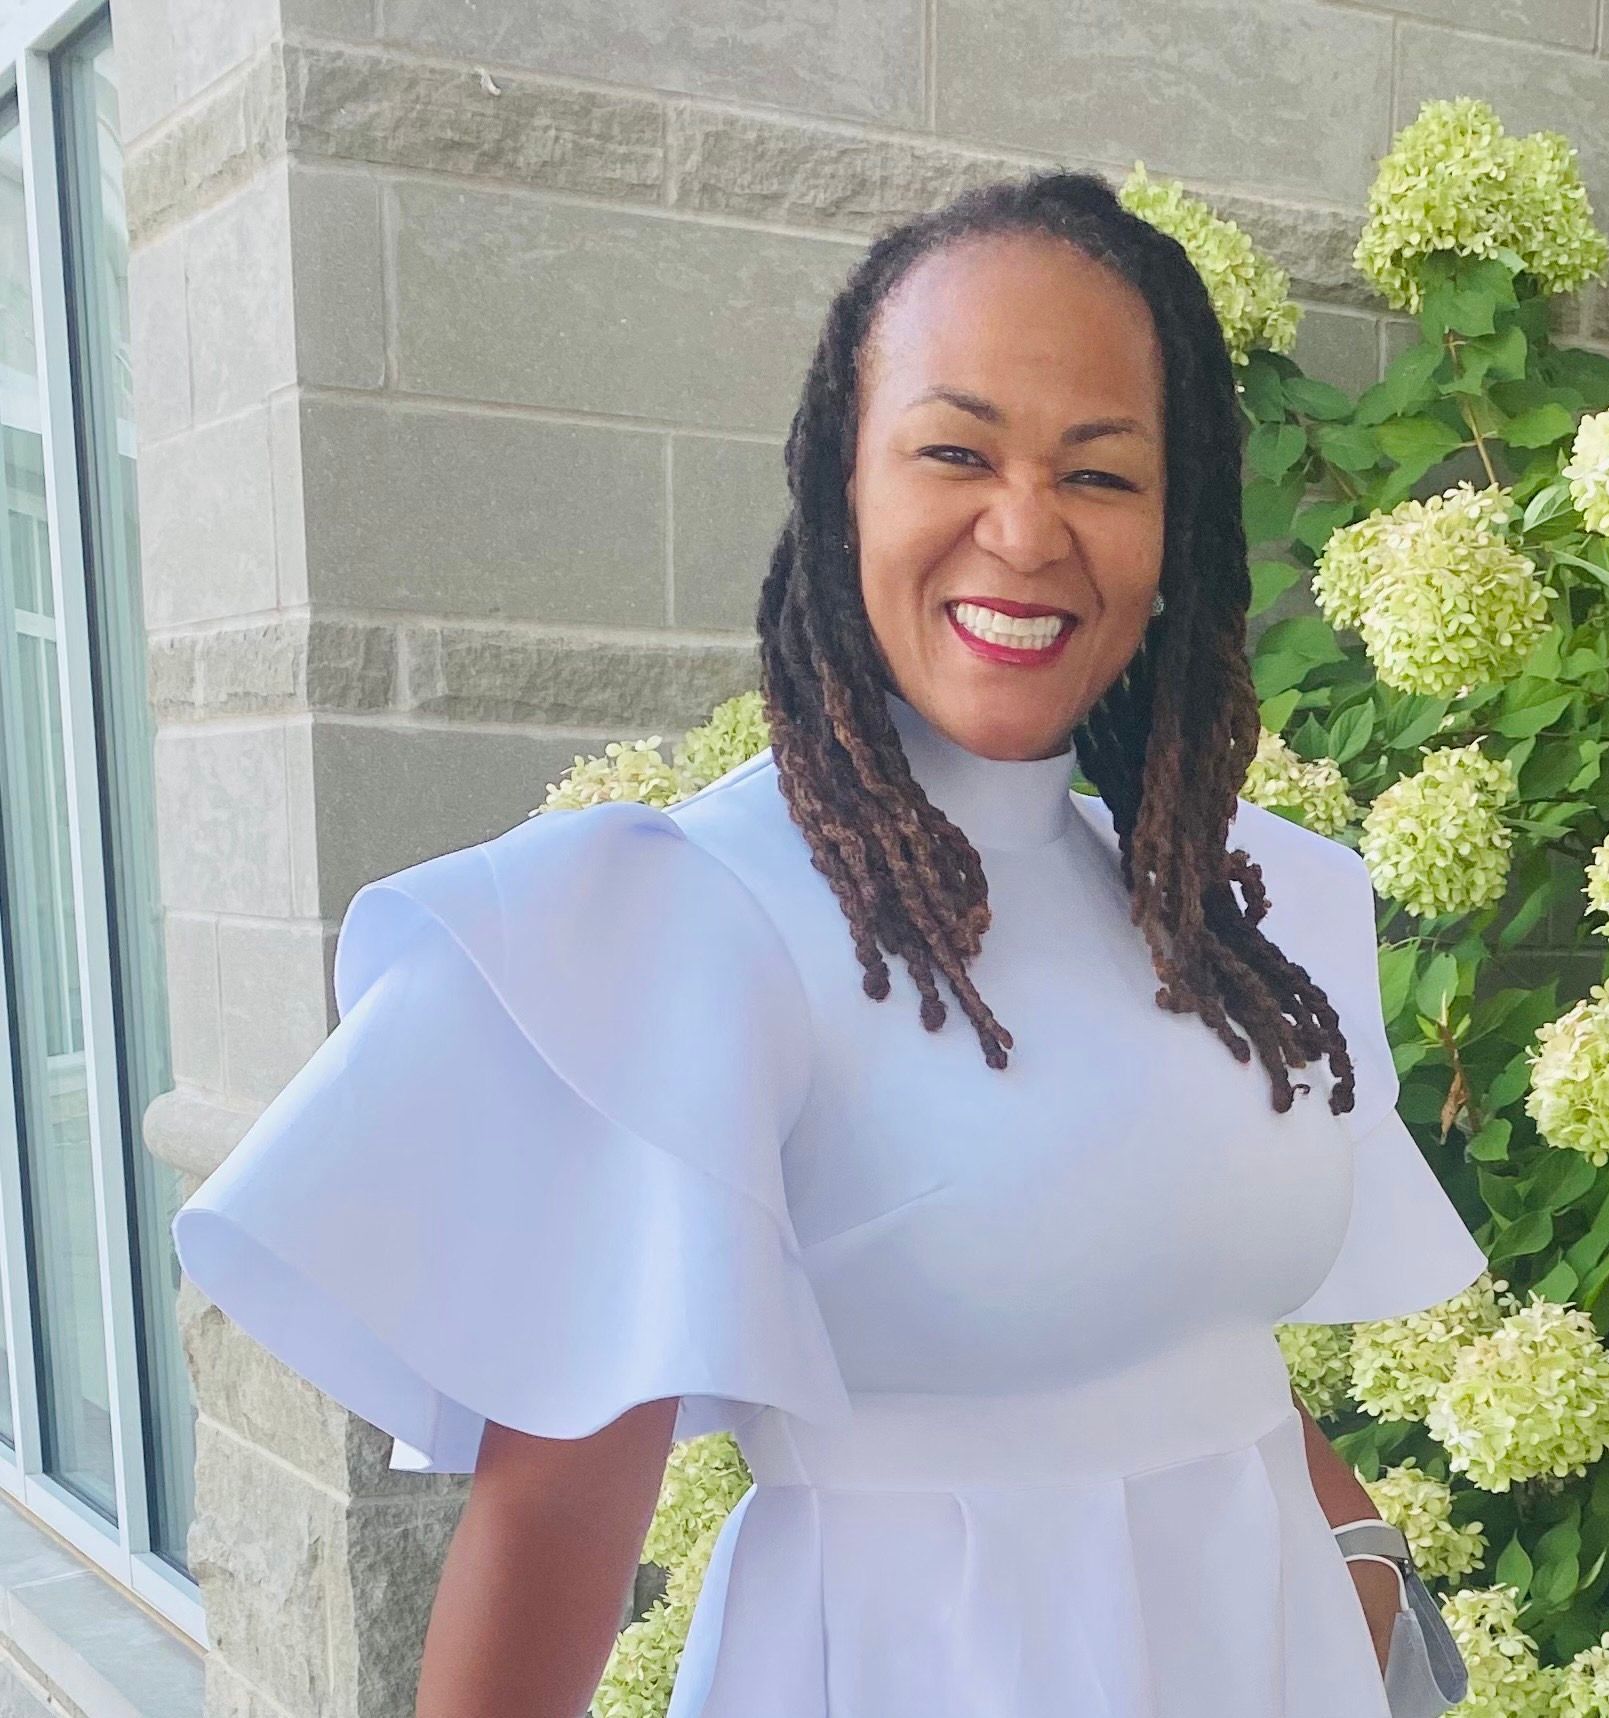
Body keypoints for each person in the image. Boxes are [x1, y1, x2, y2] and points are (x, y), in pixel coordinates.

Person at [170, 168, 1487, 1717]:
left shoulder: (1236, 910)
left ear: (1172, 529)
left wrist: (1367, 1575)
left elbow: (1192, 1347)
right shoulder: (700, 925)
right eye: (954, 450)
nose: (1023, 527)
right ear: (841, 485)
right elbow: (555, 1516)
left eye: (1101, 473)